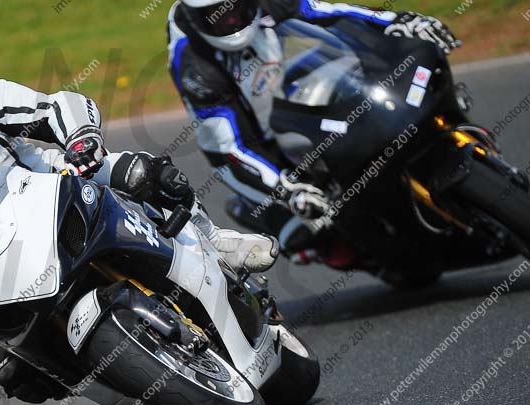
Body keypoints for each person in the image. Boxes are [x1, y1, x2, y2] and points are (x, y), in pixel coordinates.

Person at [0, 54, 279, 403]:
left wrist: (81, 138)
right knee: (9, 368)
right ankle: (132, 382)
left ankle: (213, 239)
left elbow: (55, 107)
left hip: (57, 192)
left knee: (146, 176)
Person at [167, 0, 460, 263]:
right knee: (306, 233)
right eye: (217, 16)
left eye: (236, 8)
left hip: (284, 86)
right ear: (195, 18)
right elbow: (227, 146)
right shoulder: (193, 64)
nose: (231, 21)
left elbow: (325, 11)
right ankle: (353, 250)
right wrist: (286, 191)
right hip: (255, 142)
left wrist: (397, 21)